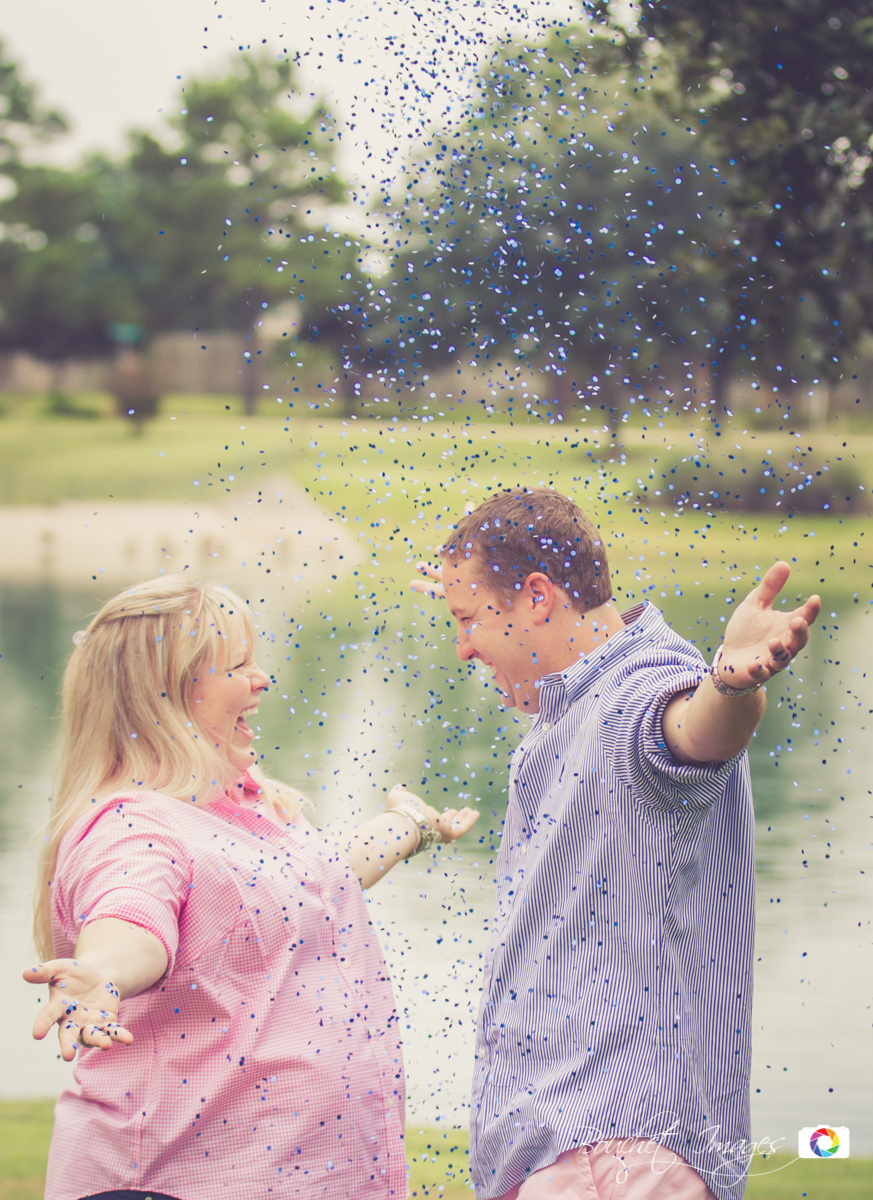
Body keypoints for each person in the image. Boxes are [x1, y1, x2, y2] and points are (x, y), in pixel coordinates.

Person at [411, 488, 819, 1200]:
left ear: (538, 597)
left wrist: (731, 686)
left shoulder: (637, 689)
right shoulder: (572, 708)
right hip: (577, 1148)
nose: (463, 646)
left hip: (610, 1154)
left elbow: (690, 730)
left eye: (468, 620)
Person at [24, 574, 478, 1200]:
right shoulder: (133, 827)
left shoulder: (240, 807)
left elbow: (316, 881)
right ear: (165, 691)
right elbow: (131, 917)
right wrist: (101, 973)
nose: (262, 680)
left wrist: (409, 827)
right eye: (237, 666)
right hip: (175, 1181)